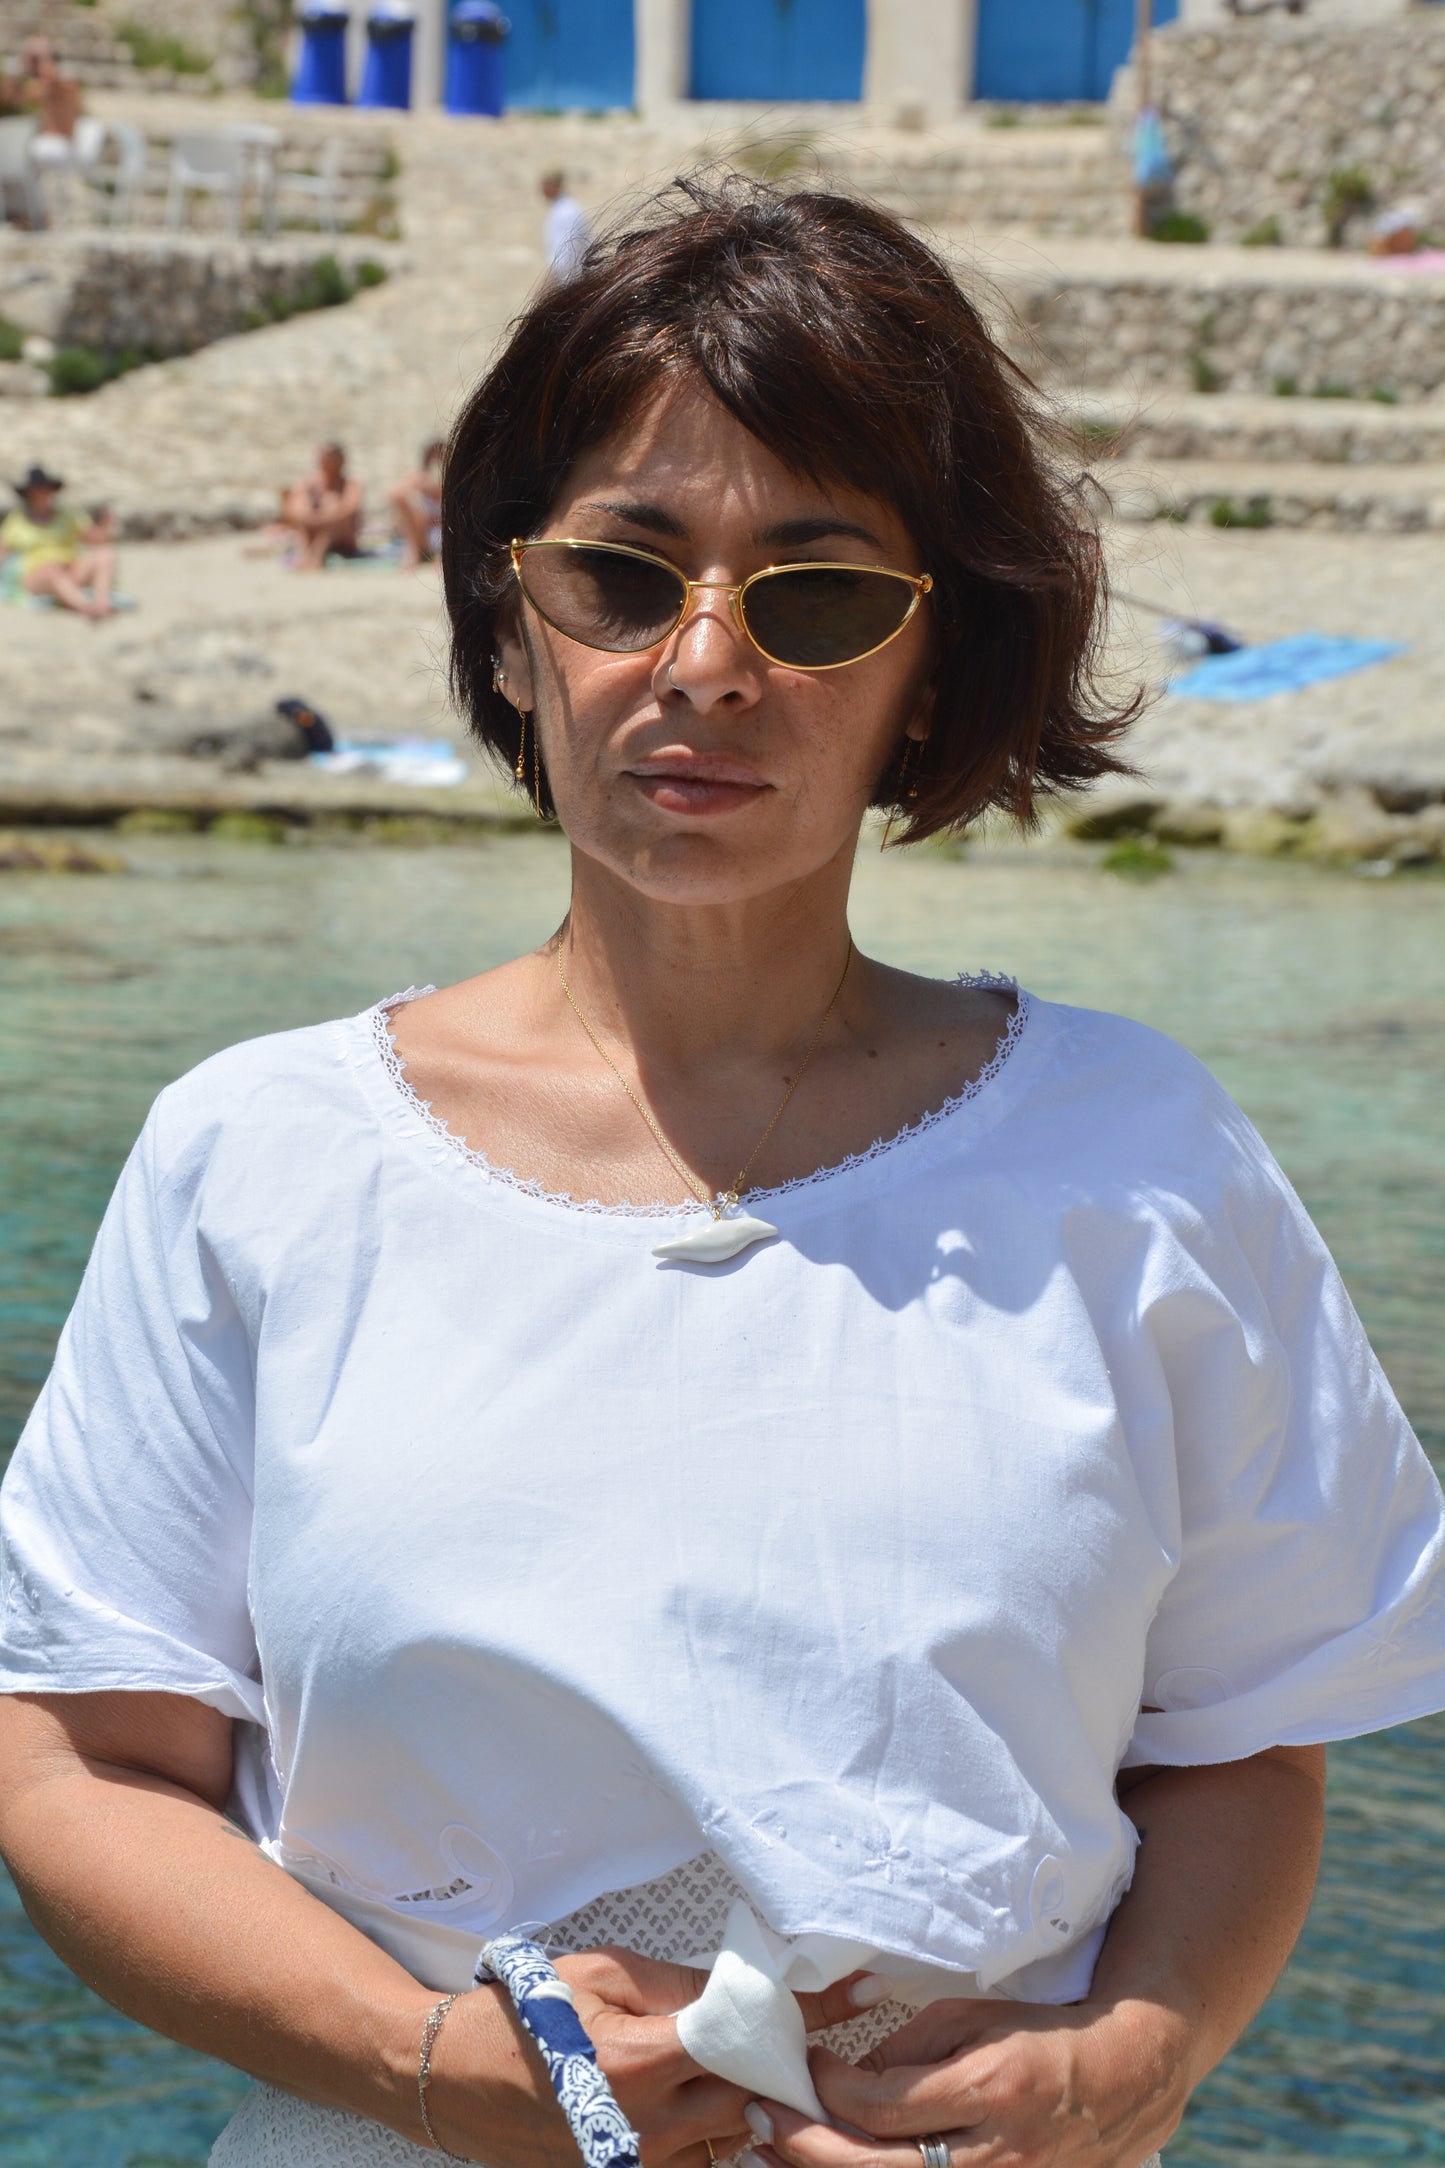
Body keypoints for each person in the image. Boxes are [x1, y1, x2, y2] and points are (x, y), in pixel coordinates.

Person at [1, 178, 1443, 2168]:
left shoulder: (1142, 1161)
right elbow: (81, 1764)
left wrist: (1134, 2054)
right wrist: (431, 2067)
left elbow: (1240, 1742)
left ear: (934, 663)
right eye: (620, 574)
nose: (702, 660)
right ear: (509, 626)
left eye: (815, 594)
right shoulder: (258, 1160)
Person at [0, 464, 116, 618]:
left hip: (70, 569)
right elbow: (2, 552)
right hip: (38, 575)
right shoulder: (17, 521)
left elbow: (96, 540)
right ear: (28, 494)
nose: (41, 494)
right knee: (52, 571)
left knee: (105, 555)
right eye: (37, 490)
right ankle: (86, 607)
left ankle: (103, 603)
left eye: (44, 489)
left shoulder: (69, 515)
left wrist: (106, 526)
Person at [0, 34, 81, 222]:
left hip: (62, 144)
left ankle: (37, 213)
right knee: (13, 155)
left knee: (27, 154)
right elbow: (8, 97)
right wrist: (18, 68)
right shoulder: (43, 84)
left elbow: (52, 82)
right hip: (45, 145)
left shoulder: (65, 82)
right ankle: (26, 211)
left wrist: (41, 56)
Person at [277, 441, 363, 570]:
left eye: (329, 459)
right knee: (305, 520)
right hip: (313, 527)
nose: (325, 462)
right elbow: (294, 506)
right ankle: (305, 555)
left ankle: (317, 557)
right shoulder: (309, 482)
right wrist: (311, 517)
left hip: (341, 535)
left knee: (331, 510)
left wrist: (325, 517)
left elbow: (349, 508)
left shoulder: (349, 484)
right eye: (323, 458)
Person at [388, 438, 445, 571]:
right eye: (434, 456)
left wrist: (439, 490)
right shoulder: (421, 478)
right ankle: (413, 551)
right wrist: (418, 484)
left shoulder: (451, 480)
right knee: (404, 502)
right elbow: (394, 494)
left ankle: (440, 556)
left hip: (444, 532)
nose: (437, 460)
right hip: (424, 533)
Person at [541, 167, 591, 282]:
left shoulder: (566, 212)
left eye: (546, 183)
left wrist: (544, 284)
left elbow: (564, 258)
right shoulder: (559, 209)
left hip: (572, 280)